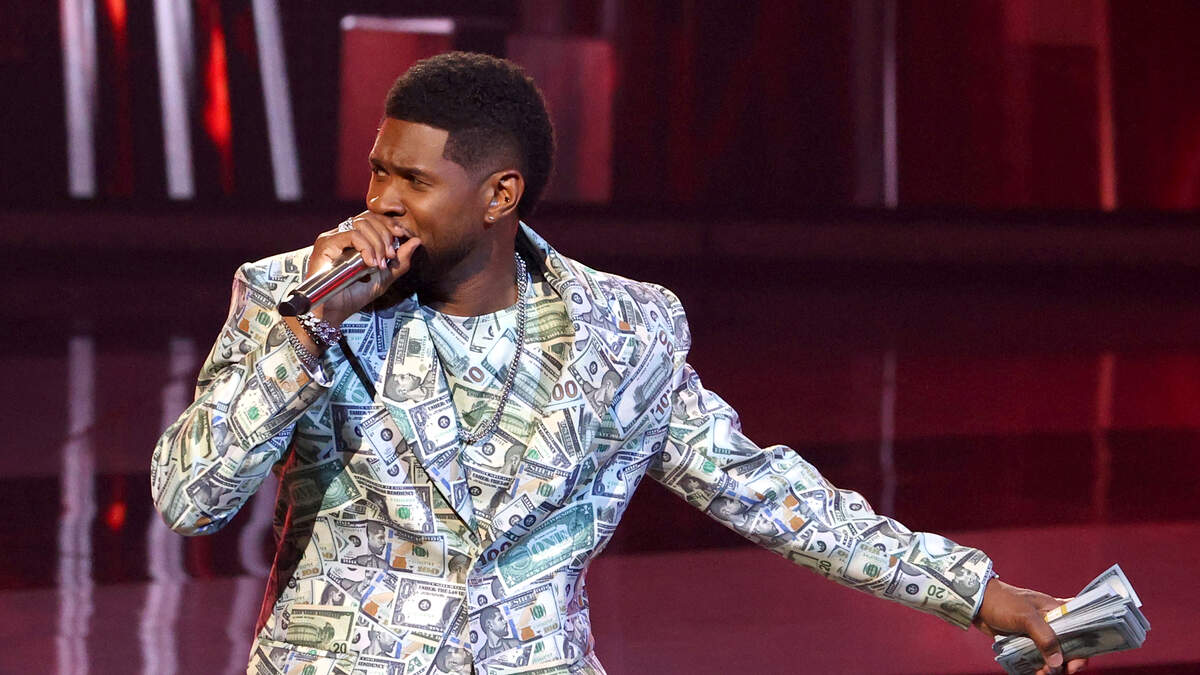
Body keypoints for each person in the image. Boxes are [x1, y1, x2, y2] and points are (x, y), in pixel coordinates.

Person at [151, 51, 1087, 675]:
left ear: (499, 195)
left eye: (415, 180)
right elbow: (190, 500)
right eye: (377, 170)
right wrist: (309, 328)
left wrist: (979, 593)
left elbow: (765, 491)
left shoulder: (625, 330)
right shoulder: (293, 293)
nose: (381, 201)